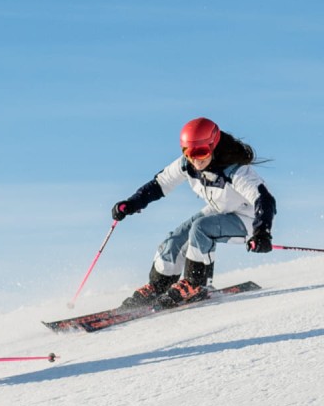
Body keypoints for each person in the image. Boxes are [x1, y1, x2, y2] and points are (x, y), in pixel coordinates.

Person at [112, 117, 277, 309]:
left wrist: (262, 232)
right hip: (221, 209)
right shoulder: (187, 164)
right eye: (189, 152)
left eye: (201, 152)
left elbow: (265, 200)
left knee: (201, 228)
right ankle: (159, 286)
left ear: (213, 145)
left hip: (250, 219)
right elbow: (160, 184)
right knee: (176, 238)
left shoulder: (235, 171)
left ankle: (196, 283)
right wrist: (132, 203)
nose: (195, 159)